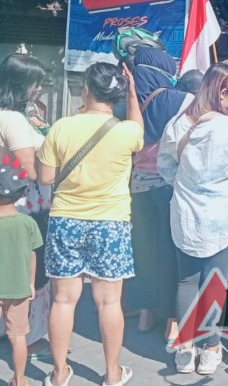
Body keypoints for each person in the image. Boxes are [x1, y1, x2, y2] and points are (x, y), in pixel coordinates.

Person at [37, 62, 144, 386]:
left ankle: (58, 374)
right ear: (119, 94)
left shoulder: (61, 127)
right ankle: (112, 373)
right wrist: (135, 94)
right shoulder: (127, 131)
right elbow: (138, 126)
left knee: (62, 300)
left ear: (86, 89)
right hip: (110, 224)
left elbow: (44, 177)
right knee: (109, 302)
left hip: (66, 220)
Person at [157, 63, 228, 375]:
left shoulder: (178, 124)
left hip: (185, 213)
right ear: (222, 93)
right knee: (217, 281)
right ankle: (211, 347)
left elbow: (164, 167)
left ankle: (185, 349)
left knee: (186, 280)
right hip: (222, 216)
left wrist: (186, 184)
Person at [125, 49, 193, 338]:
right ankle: (170, 319)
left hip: (136, 185)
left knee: (143, 250)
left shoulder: (125, 100)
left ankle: (143, 313)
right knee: (169, 252)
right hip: (168, 185)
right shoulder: (181, 100)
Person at [0, 53, 50, 346]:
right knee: (31, 272)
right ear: (21, 84)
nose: (39, 89)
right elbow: (30, 170)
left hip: (6, 203)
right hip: (26, 206)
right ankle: (27, 336)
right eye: (36, 83)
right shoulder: (14, 120)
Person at [0, 155, 44, 386]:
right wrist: (30, 283)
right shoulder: (28, 223)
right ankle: (19, 380)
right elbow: (32, 256)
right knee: (18, 337)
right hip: (18, 289)